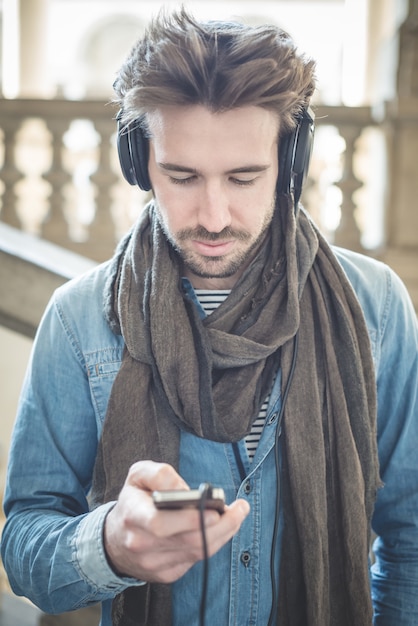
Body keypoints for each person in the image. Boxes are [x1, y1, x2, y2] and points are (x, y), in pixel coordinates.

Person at [1, 8, 418, 626]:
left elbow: (411, 536)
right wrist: (110, 542)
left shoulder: (376, 305)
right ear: (140, 162)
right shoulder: (76, 319)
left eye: (245, 177)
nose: (215, 216)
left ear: (290, 164)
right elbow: (23, 544)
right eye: (183, 175)